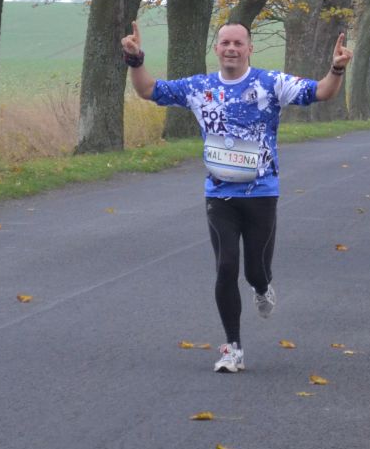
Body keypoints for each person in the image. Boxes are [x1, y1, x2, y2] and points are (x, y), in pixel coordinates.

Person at [122, 20, 352, 374]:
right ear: (216, 49)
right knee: (226, 266)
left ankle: (262, 287)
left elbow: (321, 92)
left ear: (249, 49)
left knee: (255, 271)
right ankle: (233, 348)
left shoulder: (269, 84)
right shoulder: (199, 87)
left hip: (262, 193)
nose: (231, 48)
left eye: (238, 43)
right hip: (220, 194)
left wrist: (336, 69)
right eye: (225, 42)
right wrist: (135, 60)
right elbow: (148, 90)